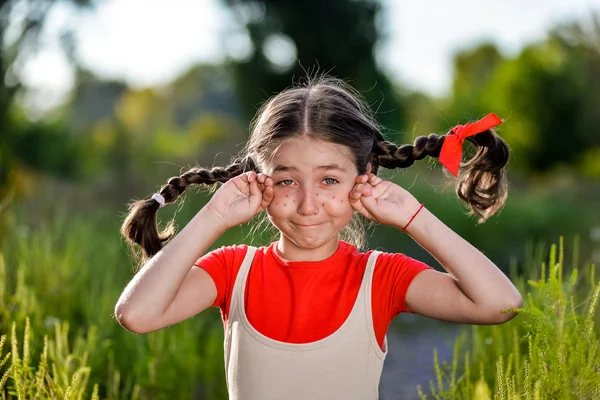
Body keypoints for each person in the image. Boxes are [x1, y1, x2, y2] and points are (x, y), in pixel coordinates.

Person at [115, 76, 522, 400]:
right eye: (287, 180)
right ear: (258, 181)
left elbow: (500, 304)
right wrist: (214, 216)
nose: (308, 205)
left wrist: (414, 217)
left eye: (329, 179)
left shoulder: (379, 277)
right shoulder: (232, 270)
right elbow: (136, 315)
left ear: (363, 178)